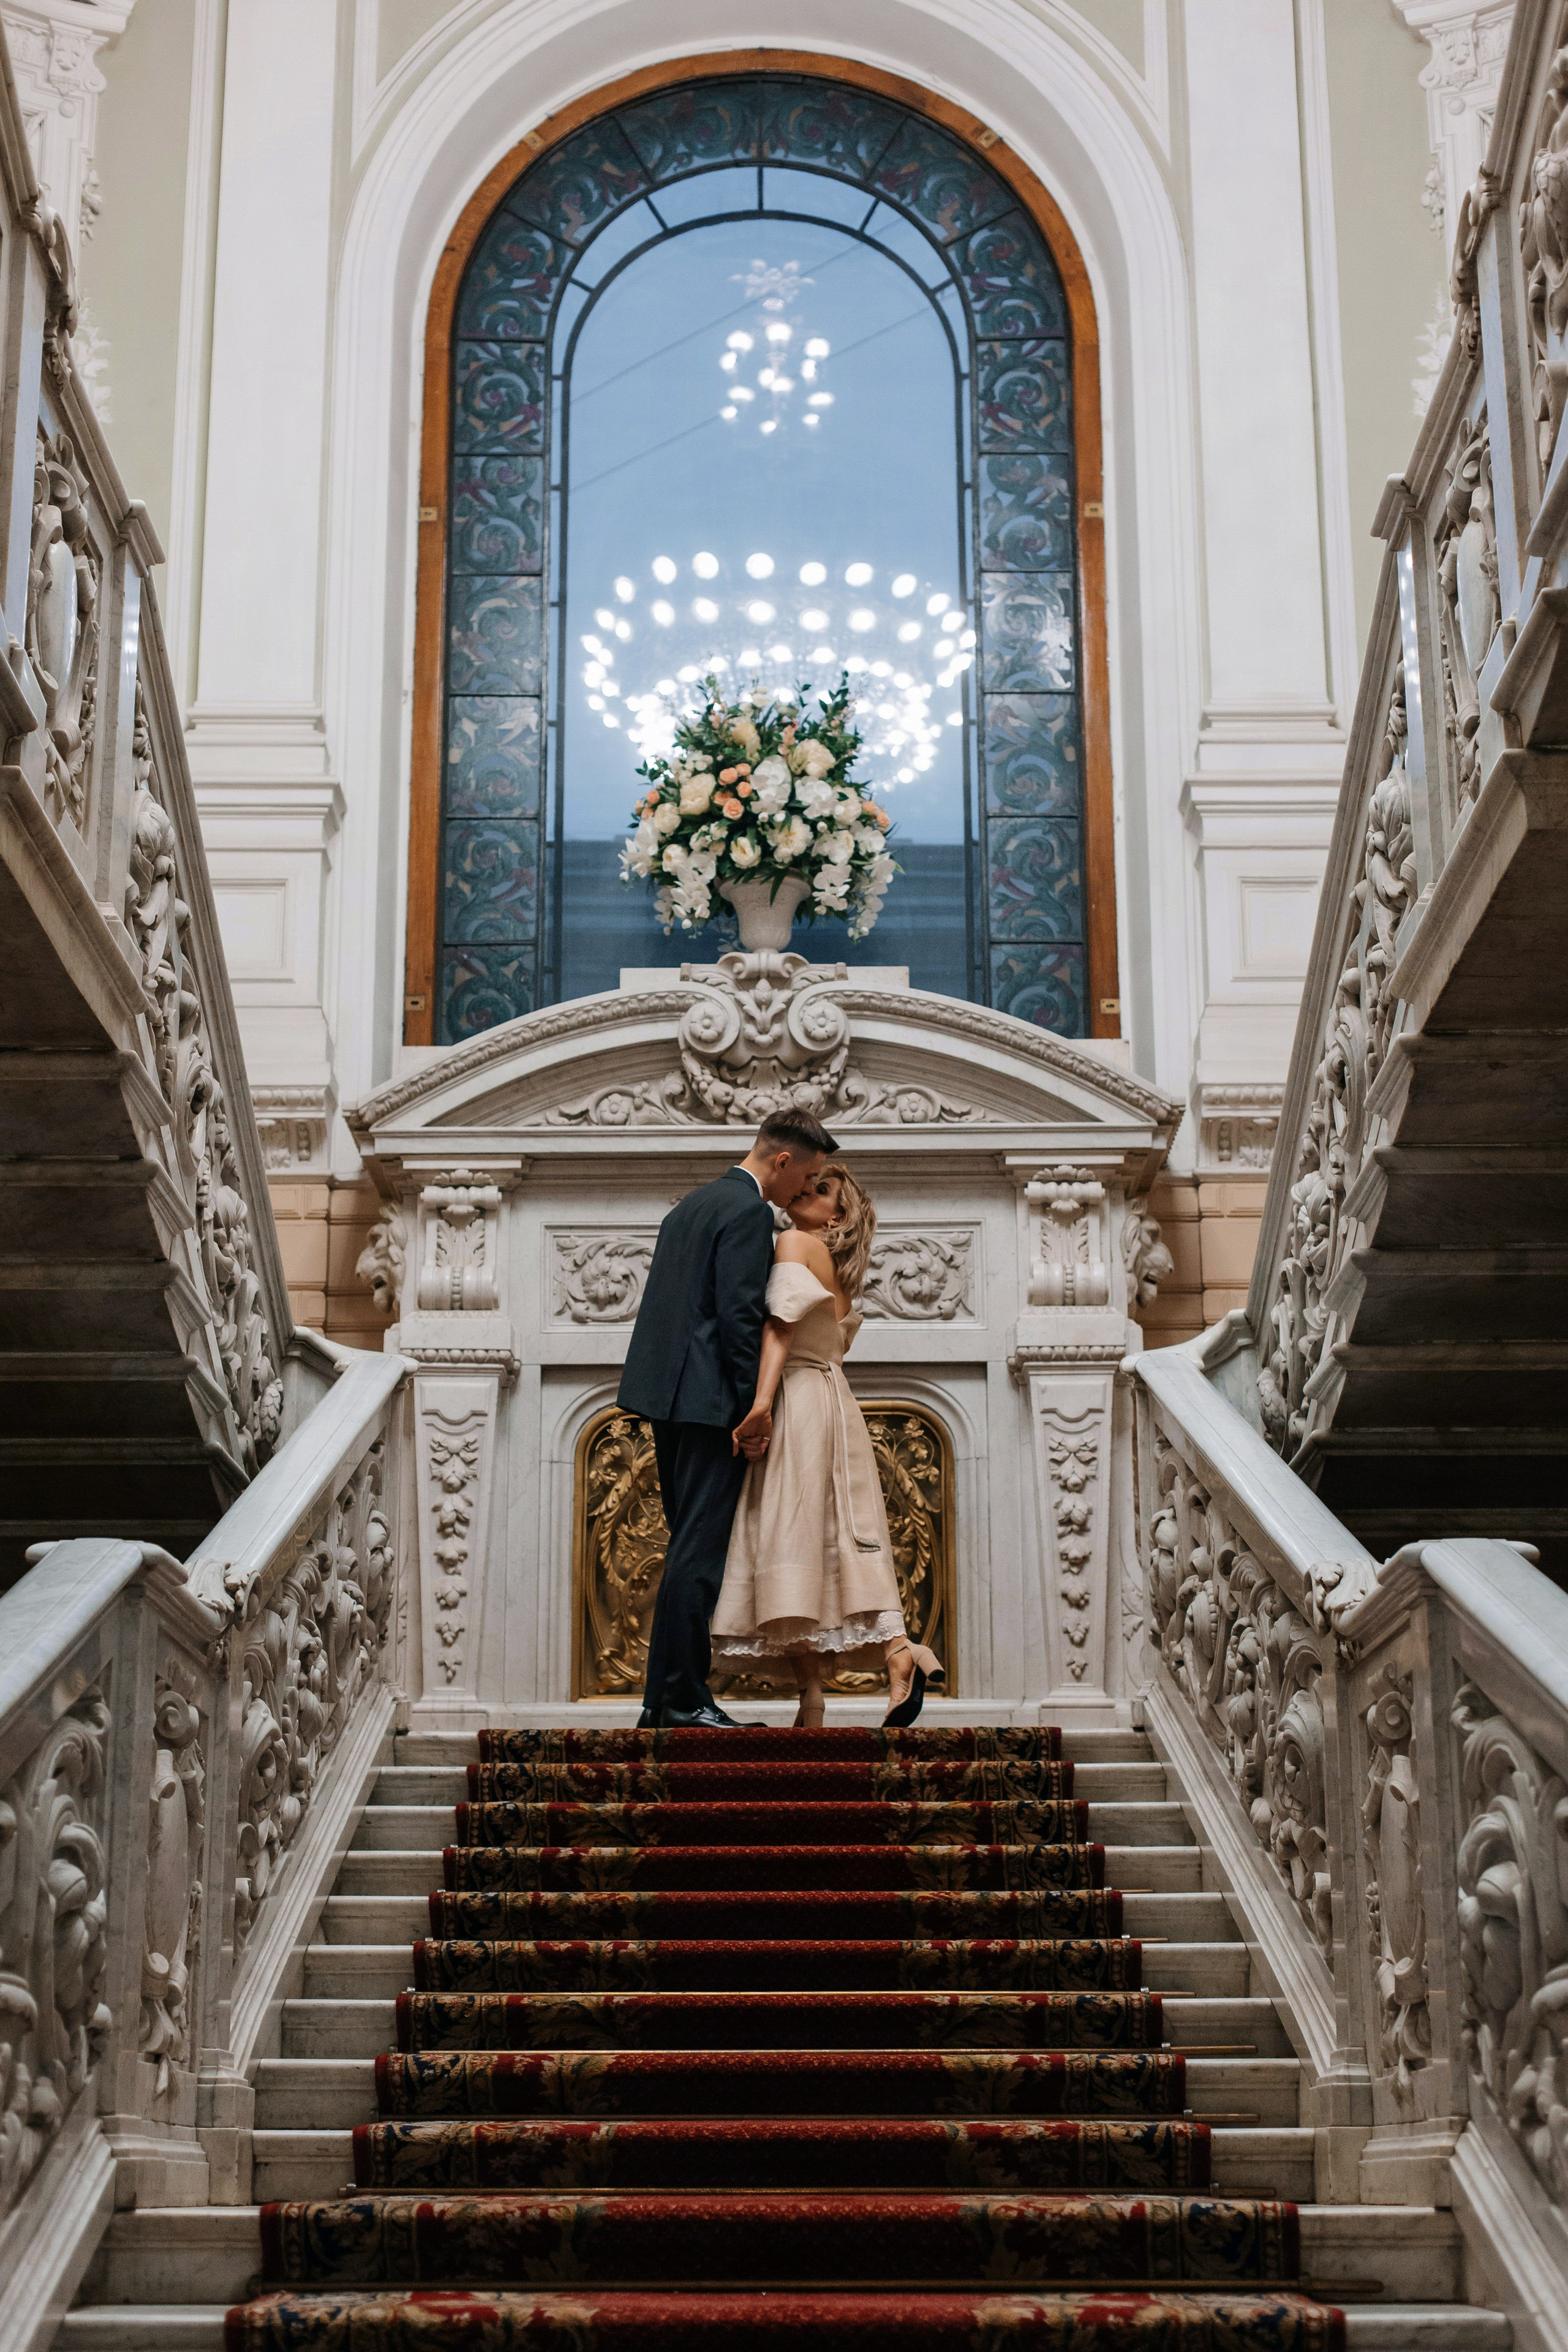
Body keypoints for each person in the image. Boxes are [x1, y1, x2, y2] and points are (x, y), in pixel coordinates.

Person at [619, 1107, 835, 1728]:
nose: (806, 1192)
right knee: (699, 1556)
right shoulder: (746, 1212)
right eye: (808, 1178)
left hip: (668, 1400)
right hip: (713, 1405)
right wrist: (753, 1410)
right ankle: (684, 1701)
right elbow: (741, 1319)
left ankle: (662, 1703)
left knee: (685, 1547)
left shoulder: (689, 1207)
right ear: (782, 1160)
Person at [712, 1161, 946, 1727]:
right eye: (807, 1184)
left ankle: (896, 1653)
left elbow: (781, 1327)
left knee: (790, 1536)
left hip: (797, 1400)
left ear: (838, 1214)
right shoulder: (839, 1268)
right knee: (825, 1541)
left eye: (821, 1192)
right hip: (831, 1400)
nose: (804, 1193)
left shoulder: (794, 1241)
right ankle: (822, 1693)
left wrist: (761, 1406)